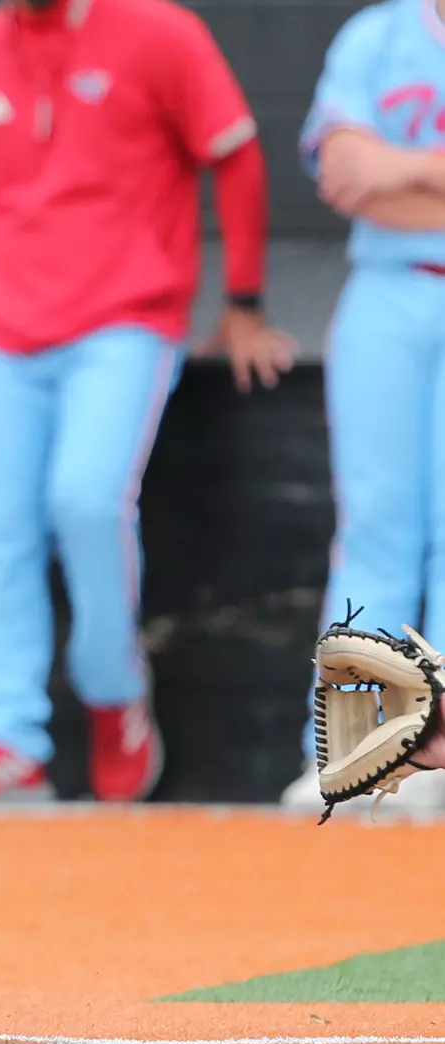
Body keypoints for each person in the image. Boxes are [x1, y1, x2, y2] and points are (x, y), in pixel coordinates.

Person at [0, 0, 299, 803]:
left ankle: (113, 693)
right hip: (4, 334)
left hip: (125, 320)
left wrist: (245, 303)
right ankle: (5, 738)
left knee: (87, 503)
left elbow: (234, 155)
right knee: (0, 532)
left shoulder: (162, 31)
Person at [280, 0, 445, 812]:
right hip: (390, 289)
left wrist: (403, 167)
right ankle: (355, 752)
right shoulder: (379, 36)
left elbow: (381, 174)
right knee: (374, 525)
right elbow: (347, 175)